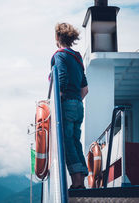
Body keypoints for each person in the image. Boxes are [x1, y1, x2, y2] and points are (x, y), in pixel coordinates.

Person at [51, 22, 88, 189]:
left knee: (67, 142)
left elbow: (62, 80)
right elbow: (85, 89)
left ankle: (77, 182)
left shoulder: (59, 56)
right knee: (75, 141)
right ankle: (81, 180)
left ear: (57, 37)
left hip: (67, 104)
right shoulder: (77, 57)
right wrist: (75, 101)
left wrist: (57, 105)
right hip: (79, 105)